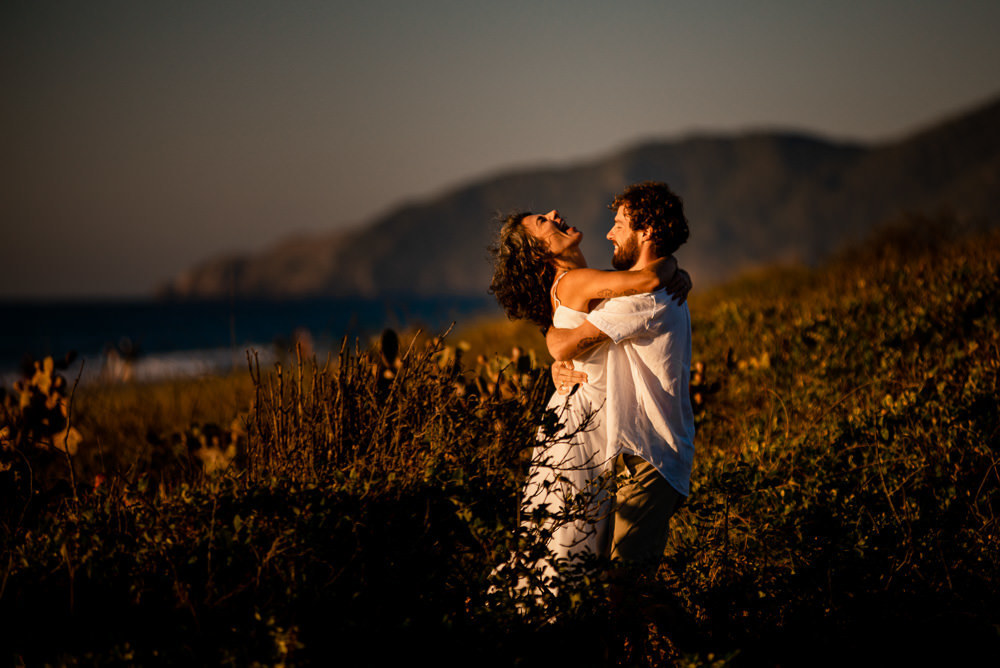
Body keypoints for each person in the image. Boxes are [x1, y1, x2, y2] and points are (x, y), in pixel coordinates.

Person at [488, 207, 690, 588]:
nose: (554, 213)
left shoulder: (582, 282)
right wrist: (675, 264)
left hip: (583, 424)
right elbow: (647, 278)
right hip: (581, 431)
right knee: (569, 553)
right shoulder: (576, 280)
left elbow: (630, 291)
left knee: (567, 546)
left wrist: (678, 274)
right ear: (537, 251)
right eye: (542, 222)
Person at [547, 181, 695, 576]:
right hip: (640, 455)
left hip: (652, 458)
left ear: (646, 231)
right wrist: (673, 266)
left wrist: (553, 343)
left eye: (618, 224)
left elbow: (567, 344)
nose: (609, 233)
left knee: (630, 585)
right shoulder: (650, 289)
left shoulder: (644, 299)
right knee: (617, 586)